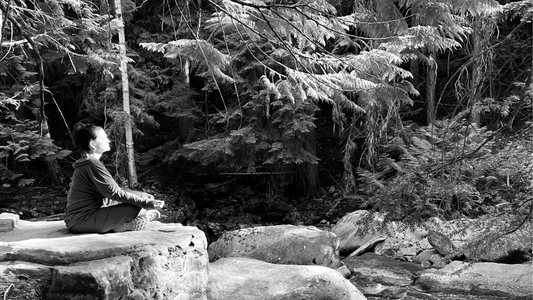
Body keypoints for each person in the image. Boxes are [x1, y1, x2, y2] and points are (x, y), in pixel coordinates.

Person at [64, 122, 164, 233]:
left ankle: (123, 223)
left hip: (83, 218)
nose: (108, 140)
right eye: (103, 138)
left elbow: (109, 193)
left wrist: (143, 197)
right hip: (81, 221)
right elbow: (114, 193)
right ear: (92, 144)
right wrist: (146, 203)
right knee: (136, 206)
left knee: (143, 197)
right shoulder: (92, 164)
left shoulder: (90, 163)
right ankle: (139, 218)